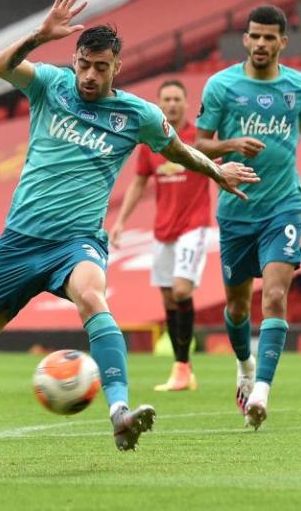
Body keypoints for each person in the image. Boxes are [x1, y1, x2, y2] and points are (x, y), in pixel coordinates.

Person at [0, 0, 258, 465]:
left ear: (116, 67)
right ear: (75, 60)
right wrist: (40, 34)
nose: (90, 75)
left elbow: (179, 150)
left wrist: (216, 171)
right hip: (20, 240)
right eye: (84, 64)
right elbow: (0, 66)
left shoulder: (137, 115)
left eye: (101, 67)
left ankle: (119, 410)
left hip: (76, 242)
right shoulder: (50, 85)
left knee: (93, 296)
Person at [194, 5, 301, 431]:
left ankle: (261, 393)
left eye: (268, 38)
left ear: (282, 42)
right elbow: (199, 143)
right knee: (238, 307)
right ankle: (244, 365)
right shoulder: (221, 86)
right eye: (254, 36)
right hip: (236, 210)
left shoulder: (299, 85)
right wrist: (231, 143)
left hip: (283, 206)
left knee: (274, 296)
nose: (260, 44)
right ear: (245, 39)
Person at [109, 79, 210, 392]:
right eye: (166, 99)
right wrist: (121, 221)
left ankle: (182, 366)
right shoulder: (152, 142)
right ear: (159, 103)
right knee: (168, 296)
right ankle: (182, 368)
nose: (172, 104)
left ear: (186, 103)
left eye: (177, 98)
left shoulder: (200, 138)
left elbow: (217, 164)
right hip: (163, 229)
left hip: (194, 226)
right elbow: (139, 183)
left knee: (181, 291)